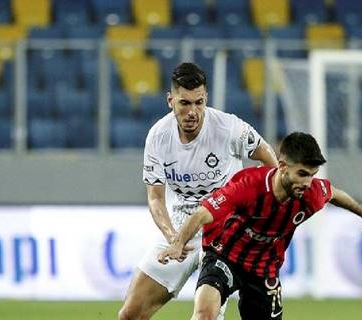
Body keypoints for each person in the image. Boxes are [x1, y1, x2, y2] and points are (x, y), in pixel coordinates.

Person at [158, 132, 362, 320]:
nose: (307, 182)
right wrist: (178, 243)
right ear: (283, 166)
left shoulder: (311, 193)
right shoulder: (248, 185)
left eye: (312, 175)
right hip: (224, 255)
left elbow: (333, 193)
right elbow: (202, 214)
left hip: (263, 268)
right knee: (205, 314)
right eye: (302, 174)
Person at [118, 62, 278, 320]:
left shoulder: (230, 128)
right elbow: (156, 197)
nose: (193, 111)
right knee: (130, 314)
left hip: (223, 230)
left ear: (206, 99)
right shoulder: (158, 136)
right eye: (185, 103)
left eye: (199, 102)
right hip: (181, 227)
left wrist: (255, 209)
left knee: (205, 317)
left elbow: (270, 163)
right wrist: (173, 237)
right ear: (170, 101)